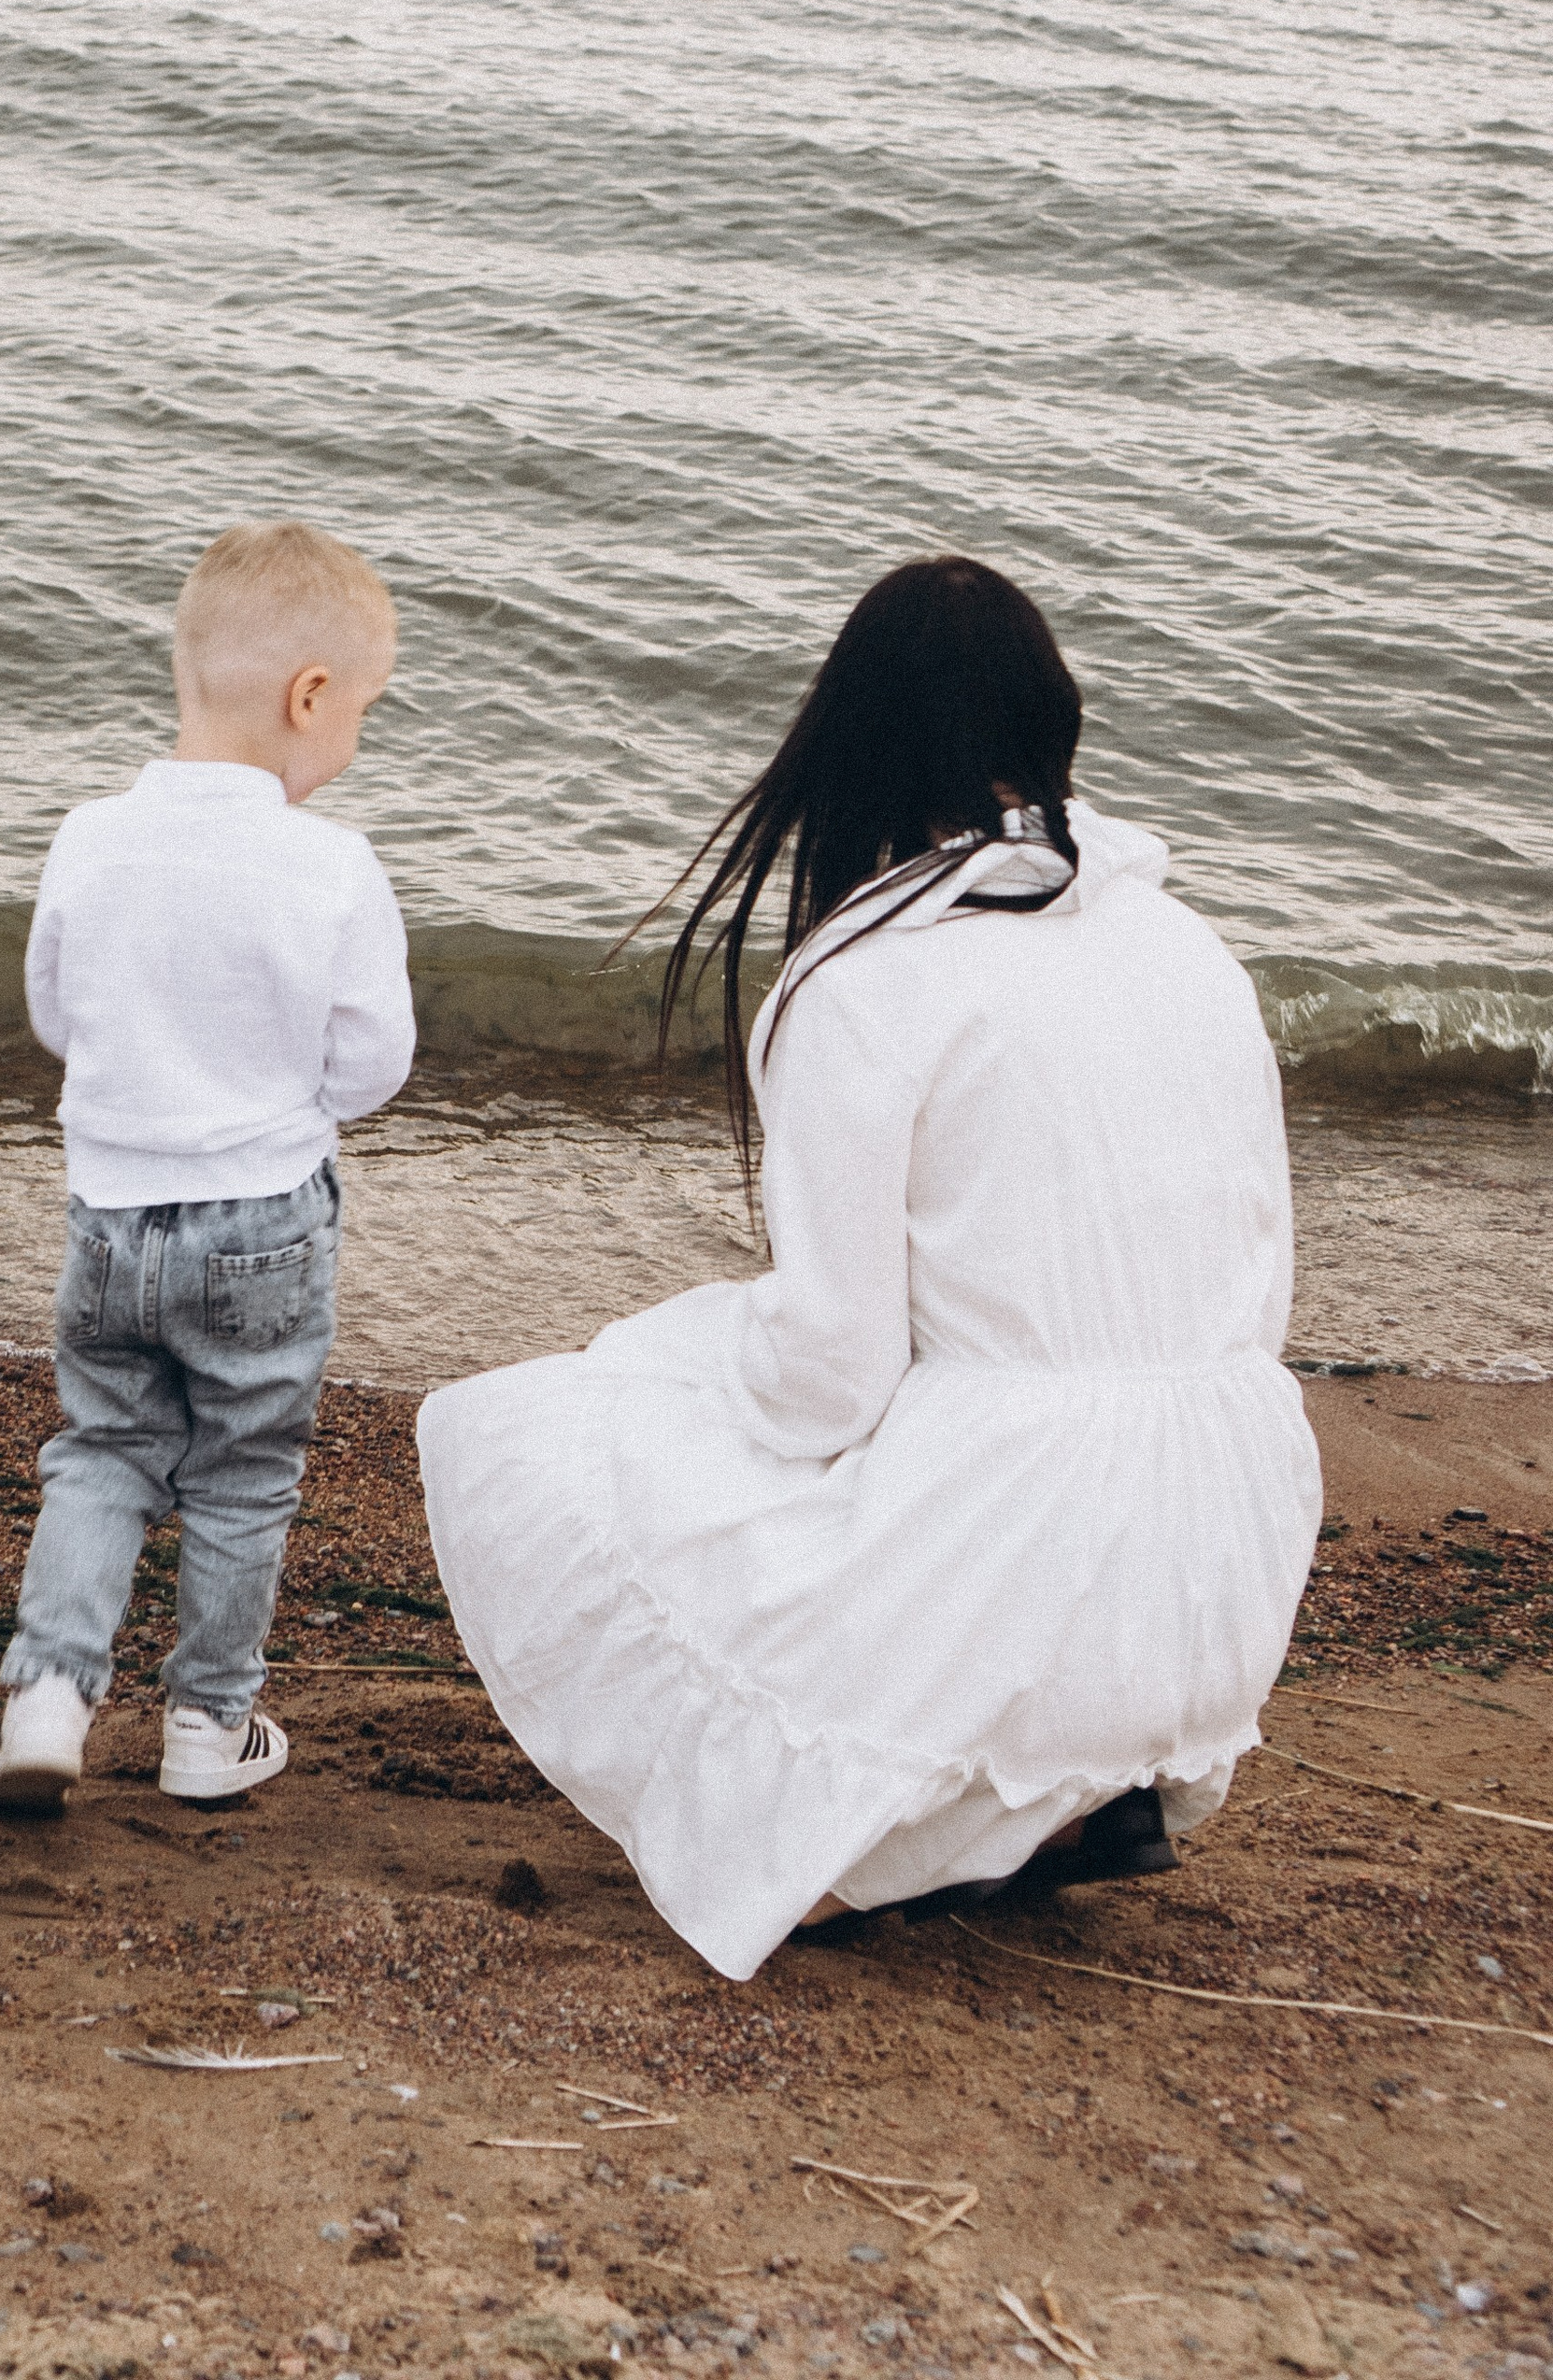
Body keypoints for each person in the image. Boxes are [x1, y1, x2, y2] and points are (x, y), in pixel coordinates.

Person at [417, 558, 1322, 1980]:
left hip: (1029, 1555)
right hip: (1220, 1564)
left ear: (851, 742)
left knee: (549, 1425)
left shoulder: (866, 981)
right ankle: (1059, 1794)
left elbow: (829, 1379)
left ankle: (910, 1831)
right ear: (1052, 724)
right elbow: (1258, 1292)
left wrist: (698, 1371)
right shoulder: (1191, 945)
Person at [0, 520, 414, 1816]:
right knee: (241, 1471)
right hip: (266, 1223)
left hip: (110, 1217)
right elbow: (372, 1063)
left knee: (104, 1451)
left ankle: (48, 1699)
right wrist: (290, 1099)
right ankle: (207, 1729)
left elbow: (59, 1017)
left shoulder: (88, 837)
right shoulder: (330, 864)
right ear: (309, 696)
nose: (355, 741)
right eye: (365, 713)